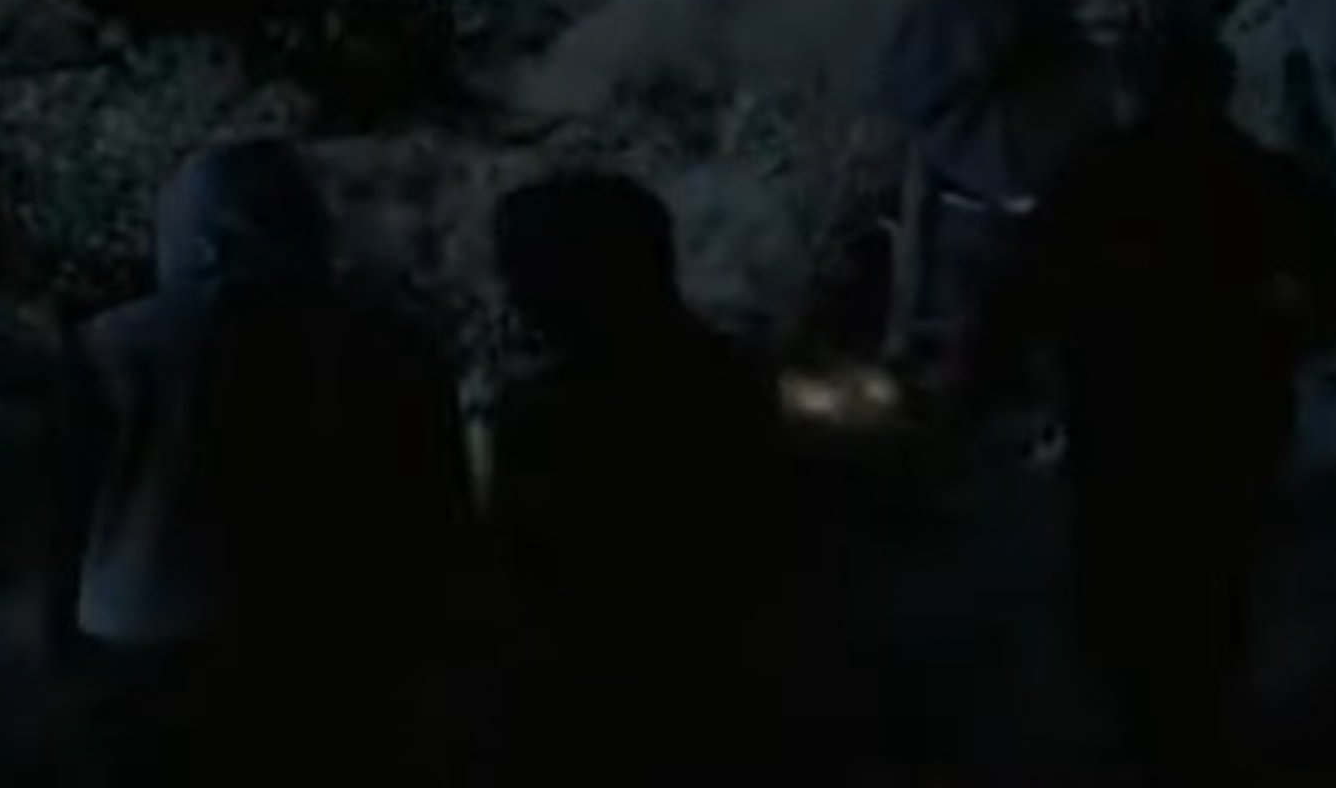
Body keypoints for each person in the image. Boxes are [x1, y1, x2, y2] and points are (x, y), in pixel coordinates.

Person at [974, 33, 1336, 779]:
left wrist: (989, 384)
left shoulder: (1101, 179)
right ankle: (1195, 731)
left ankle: (1149, 730)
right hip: (1228, 414)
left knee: (1124, 577)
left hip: (1122, 413)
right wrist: (1277, 340)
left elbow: (1017, 293)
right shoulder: (1258, 179)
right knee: (1211, 575)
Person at [42, 140, 476, 784]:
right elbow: (440, 512)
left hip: (147, 640)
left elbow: (67, 509)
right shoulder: (388, 340)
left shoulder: (109, 346)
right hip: (340, 647)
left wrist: (62, 648)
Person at [487, 174, 787, 782]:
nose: (512, 292)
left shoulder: (549, 419)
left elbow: (526, 586)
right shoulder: (737, 386)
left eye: (523, 271)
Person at [875, 0, 1119, 389]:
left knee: (972, 323)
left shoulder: (960, 5)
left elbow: (916, 88)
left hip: (994, 183)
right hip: (1055, 180)